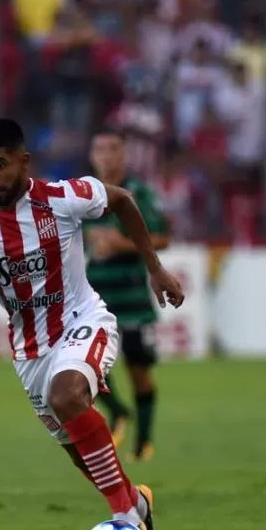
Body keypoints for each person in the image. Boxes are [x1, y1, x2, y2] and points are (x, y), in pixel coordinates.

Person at [0, 119, 184, 530]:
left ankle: (124, 517)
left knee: (68, 396)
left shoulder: (61, 198)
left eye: (0, 165)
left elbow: (123, 199)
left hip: (84, 322)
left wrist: (155, 267)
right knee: (77, 448)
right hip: (29, 350)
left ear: (23, 162)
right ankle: (137, 501)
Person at [85, 130, 170, 461]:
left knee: (138, 371)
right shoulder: (81, 194)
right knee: (88, 366)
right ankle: (119, 412)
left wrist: (119, 244)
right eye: (100, 148)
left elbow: (162, 237)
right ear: (92, 156)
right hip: (94, 297)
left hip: (133, 297)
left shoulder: (138, 192)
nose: (106, 155)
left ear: (124, 155)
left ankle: (143, 441)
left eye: (113, 149)